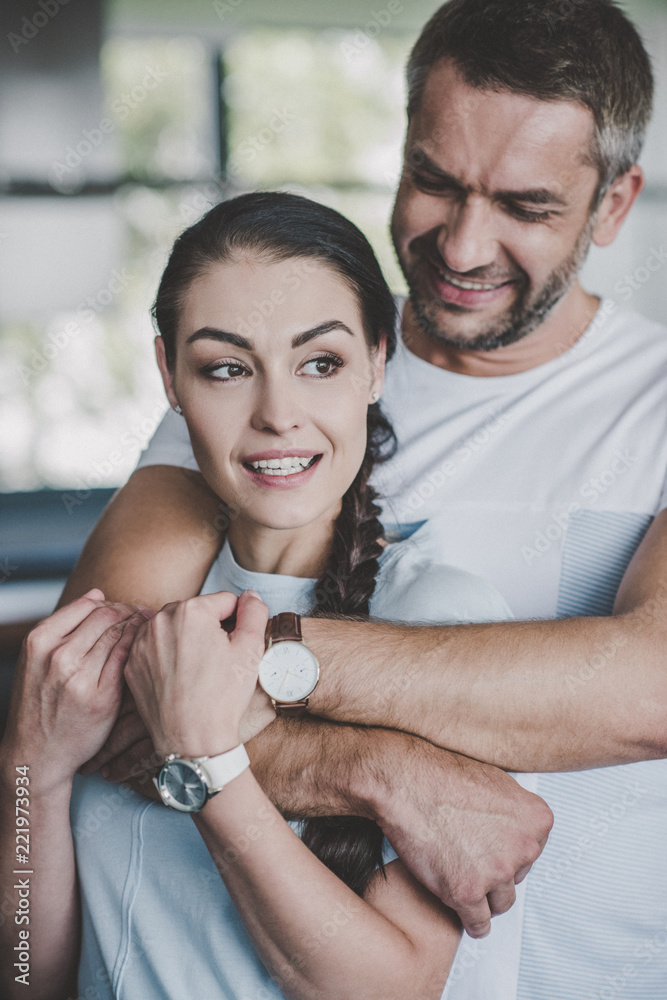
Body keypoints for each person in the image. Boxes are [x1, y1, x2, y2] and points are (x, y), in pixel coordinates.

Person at [57, 0, 667, 995]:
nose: (464, 247)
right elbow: (96, 681)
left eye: (524, 207)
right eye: (434, 181)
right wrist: (379, 774)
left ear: (612, 202)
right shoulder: (282, 371)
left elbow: (650, 689)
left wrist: (255, 666)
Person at [0, 192, 547, 1000]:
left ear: (374, 362)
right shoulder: (125, 612)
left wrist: (209, 764)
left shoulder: (439, 618)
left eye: (318, 363)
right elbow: (24, 977)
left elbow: (390, 989)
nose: (277, 415)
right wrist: (27, 774)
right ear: (170, 379)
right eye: (226, 368)